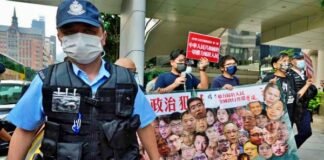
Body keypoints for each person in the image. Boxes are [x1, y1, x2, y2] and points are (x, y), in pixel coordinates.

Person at [7, 0, 159, 159]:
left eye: (88, 30)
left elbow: (144, 125)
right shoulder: (47, 80)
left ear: (103, 36)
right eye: (70, 32)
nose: (79, 38)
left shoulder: (126, 80)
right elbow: (25, 131)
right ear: (59, 36)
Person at [262, 53, 313, 148]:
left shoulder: (290, 78)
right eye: (283, 61)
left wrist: (307, 85)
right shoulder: (269, 78)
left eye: (288, 61)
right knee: (273, 142)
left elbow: (296, 96)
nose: (286, 63)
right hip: (276, 118)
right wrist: (269, 86)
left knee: (283, 142)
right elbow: (262, 98)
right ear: (275, 65)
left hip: (289, 117)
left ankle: (289, 150)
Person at [289, 52, 317, 148]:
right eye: (298, 59)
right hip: (293, 109)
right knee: (286, 135)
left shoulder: (305, 74)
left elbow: (310, 92)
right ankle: (288, 152)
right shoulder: (289, 75)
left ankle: (291, 149)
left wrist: (311, 87)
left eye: (302, 59)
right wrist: (307, 85)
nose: (301, 61)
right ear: (292, 61)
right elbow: (295, 95)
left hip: (304, 108)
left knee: (306, 132)